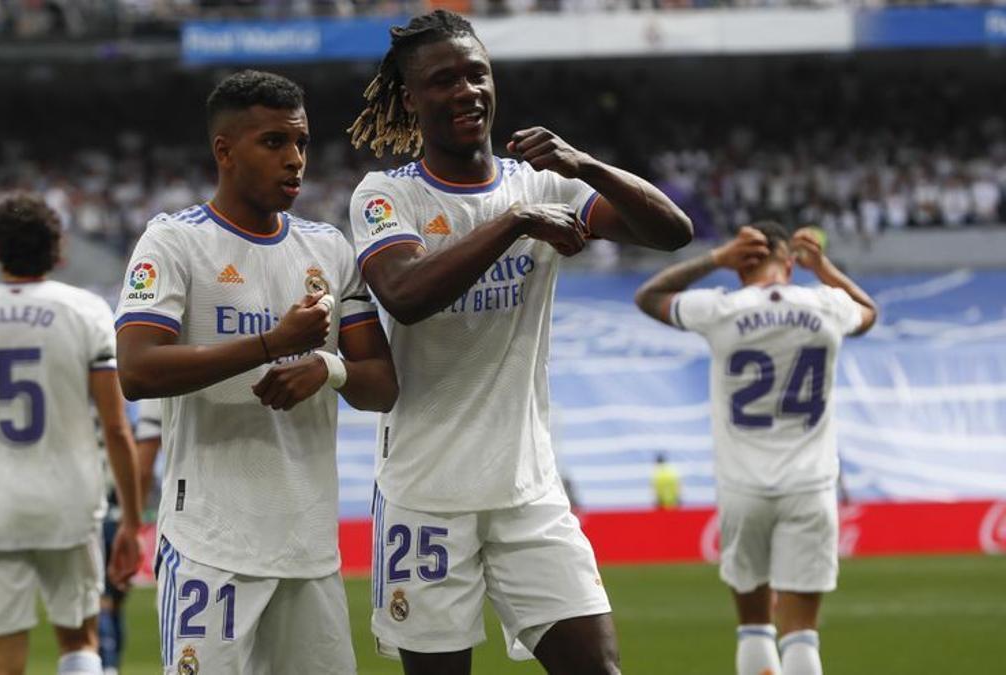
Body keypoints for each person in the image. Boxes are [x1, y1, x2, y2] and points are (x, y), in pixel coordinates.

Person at [345, 10, 692, 675]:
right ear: (411, 99)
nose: (466, 91)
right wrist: (514, 223)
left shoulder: (540, 182)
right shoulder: (386, 195)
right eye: (442, 80)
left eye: (477, 74)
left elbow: (671, 231)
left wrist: (585, 164)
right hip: (426, 493)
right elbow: (406, 294)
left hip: (529, 488)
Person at [114, 70, 399, 675]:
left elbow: (382, 384)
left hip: (308, 549)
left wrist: (328, 367)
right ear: (225, 151)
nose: (294, 160)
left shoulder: (329, 250)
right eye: (273, 143)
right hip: (210, 546)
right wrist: (271, 342)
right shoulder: (173, 243)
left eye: (300, 143)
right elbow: (136, 370)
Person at [0, 195, 143, 675]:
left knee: (2, 655)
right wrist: (131, 522)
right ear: (59, 252)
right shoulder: (87, 310)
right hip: (71, 501)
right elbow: (117, 427)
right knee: (81, 638)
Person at [634, 223, 877, 675]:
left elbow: (648, 297)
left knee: (753, 626)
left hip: (742, 487)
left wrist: (714, 258)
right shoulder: (827, 305)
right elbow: (869, 311)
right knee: (802, 633)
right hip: (811, 484)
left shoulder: (722, 310)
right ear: (789, 261)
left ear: (742, 263)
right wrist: (823, 268)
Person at [98, 397, 162, 675]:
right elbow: (145, 476)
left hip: (100, 524)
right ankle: (114, 664)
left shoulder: (94, 437)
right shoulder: (129, 436)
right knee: (117, 602)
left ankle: (108, 664)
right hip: (122, 520)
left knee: (100, 601)